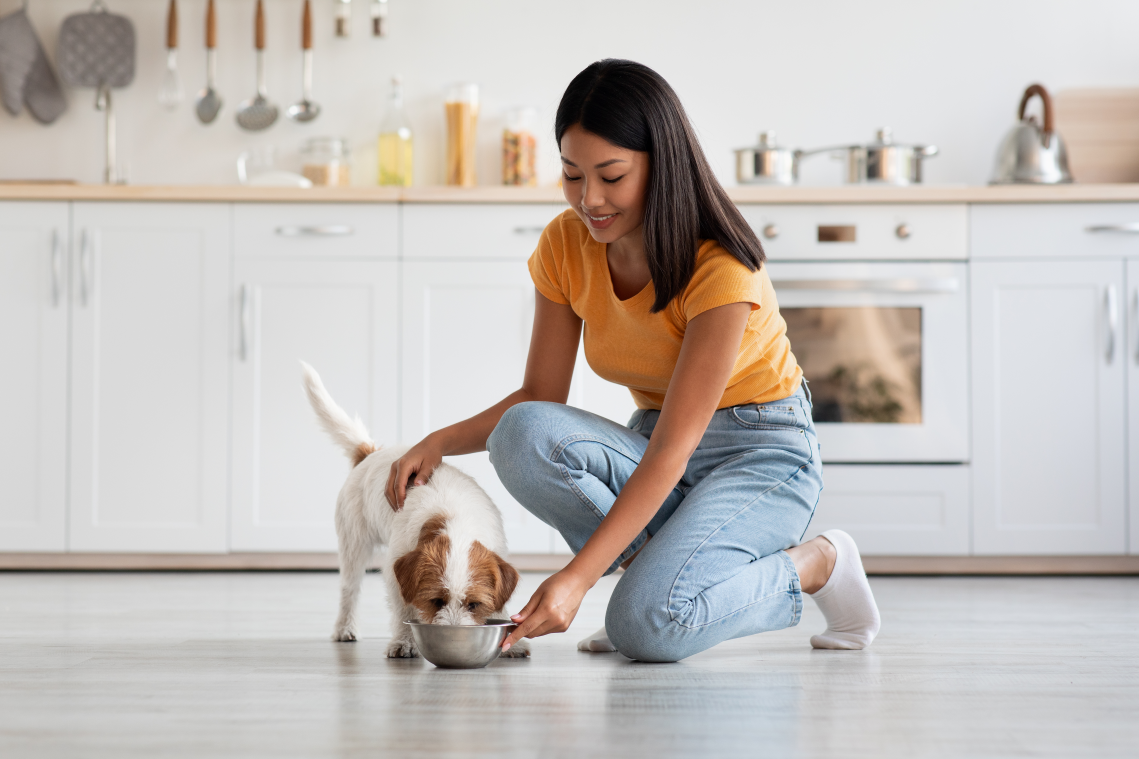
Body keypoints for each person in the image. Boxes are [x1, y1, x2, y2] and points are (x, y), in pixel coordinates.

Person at [385, 59, 880, 662]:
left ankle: (816, 564)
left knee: (646, 629)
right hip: (654, 442)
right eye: (571, 175)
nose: (589, 199)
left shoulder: (720, 266)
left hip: (760, 455)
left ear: (660, 165)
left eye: (611, 176)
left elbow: (676, 447)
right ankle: (658, 588)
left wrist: (577, 578)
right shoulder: (567, 245)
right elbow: (539, 395)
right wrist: (437, 441)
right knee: (522, 433)